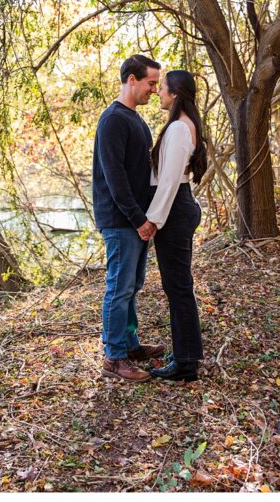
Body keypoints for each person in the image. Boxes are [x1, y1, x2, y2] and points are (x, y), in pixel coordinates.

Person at [94, 54, 166, 382]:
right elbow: (115, 178)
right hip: (121, 219)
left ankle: (130, 344)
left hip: (137, 218)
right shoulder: (113, 120)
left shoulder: (136, 120)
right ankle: (113, 357)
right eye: (151, 82)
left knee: (132, 286)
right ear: (132, 80)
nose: (155, 89)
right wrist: (139, 219)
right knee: (119, 288)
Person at [145, 70, 207, 382]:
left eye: (163, 87)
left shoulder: (181, 129)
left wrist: (153, 220)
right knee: (176, 286)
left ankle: (186, 363)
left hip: (174, 208)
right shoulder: (179, 126)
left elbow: (169, 181)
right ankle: (184, 352)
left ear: (176, 93)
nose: (158, 92)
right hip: (176, 205)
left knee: (179, 287)